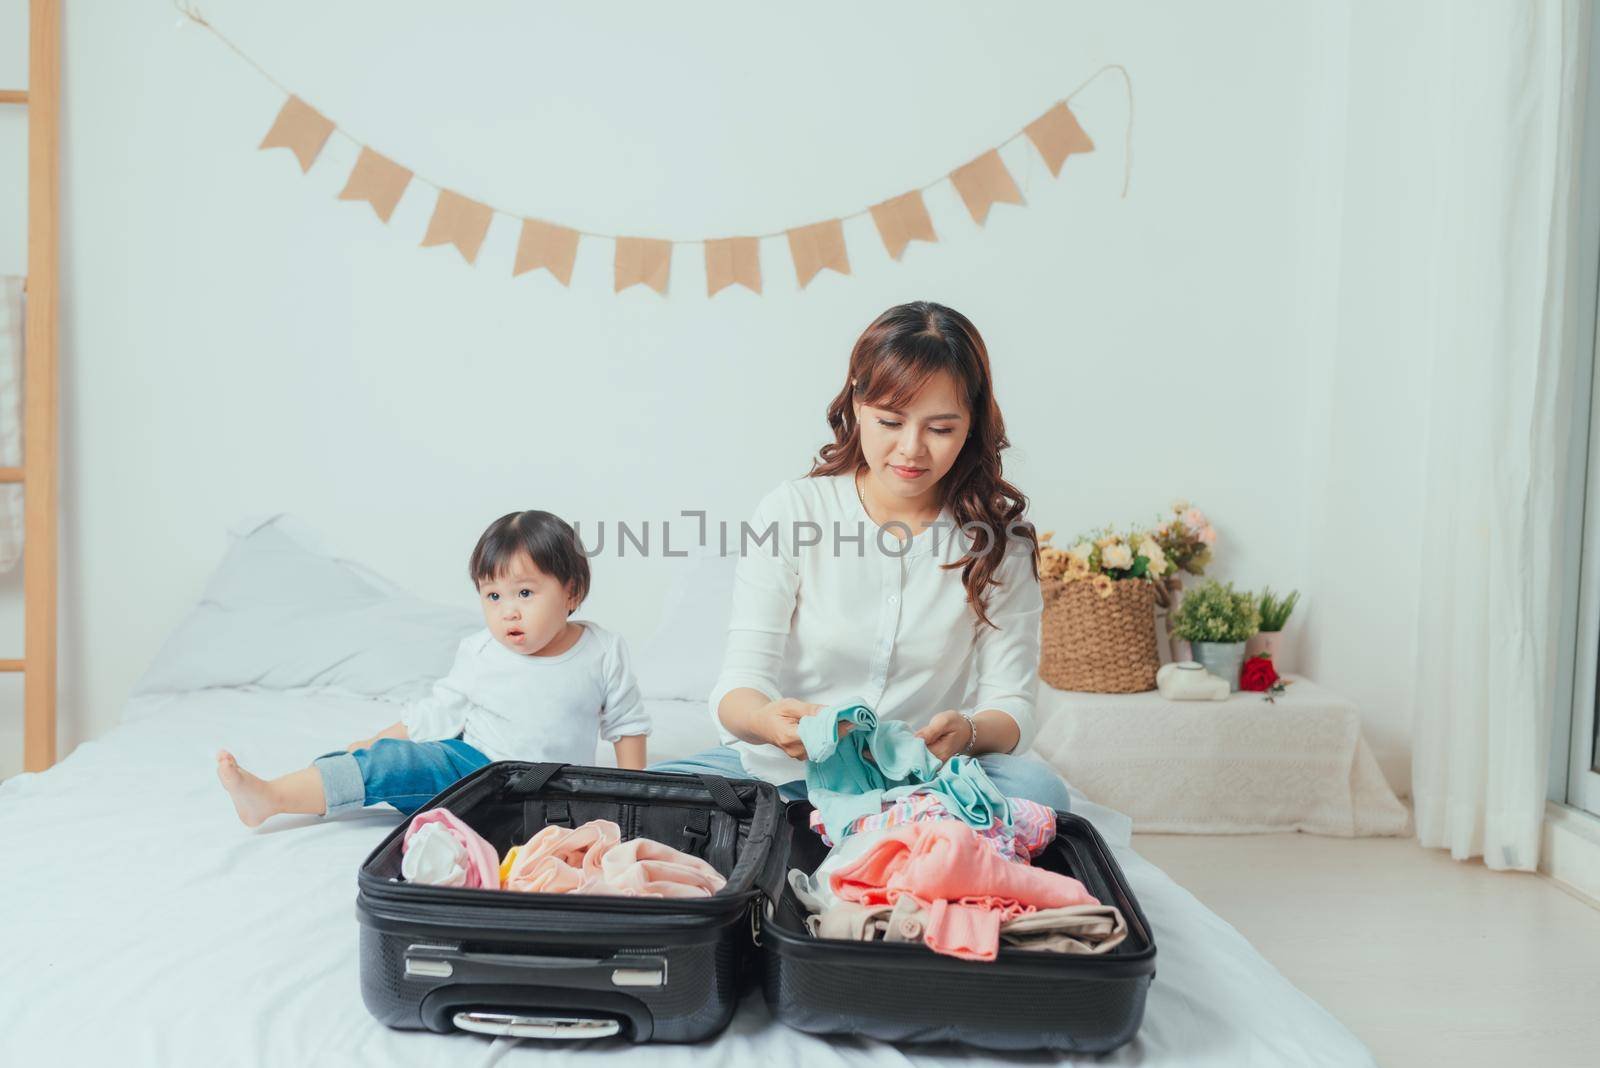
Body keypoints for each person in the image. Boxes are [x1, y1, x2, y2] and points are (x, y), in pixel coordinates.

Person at [649, 301, 1070, 811]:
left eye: (941, 429)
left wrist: (970, 731)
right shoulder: (794, 510)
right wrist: (765, 721)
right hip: (784, 775)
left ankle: (878, 832)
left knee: (1040, 793)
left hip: (924, 781)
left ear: (972, 423)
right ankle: (876, 839)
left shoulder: (1000, 541)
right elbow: (740, 686)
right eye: (890, 421)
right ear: (856, 400)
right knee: (650, 794)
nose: (911, 449)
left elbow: (1012, 706)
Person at [217, 510, 650, 826]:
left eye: (524, 593)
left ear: (571, 593)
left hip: (553, 788)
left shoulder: (602, 651)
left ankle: (320, 781)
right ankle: (272, 796)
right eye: (493, 597)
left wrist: (632, 798)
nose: (508, 612)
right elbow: (437, 713)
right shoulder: (481, 653)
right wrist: (375, 739)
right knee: (386, 763)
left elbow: (627, 725)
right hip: (474, 766)